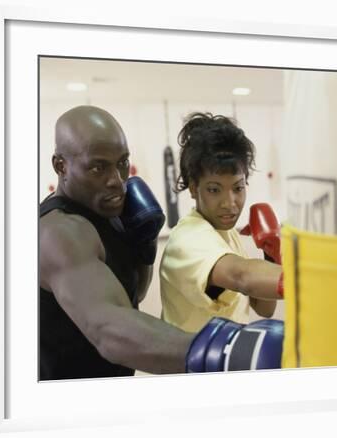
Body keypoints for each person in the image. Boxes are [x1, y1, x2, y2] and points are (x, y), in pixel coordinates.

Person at [39, 105, 285, 379]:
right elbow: (109, 327)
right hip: (66, 395)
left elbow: (132, 296)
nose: (117, 181)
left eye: (122, 163)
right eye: (98, 167)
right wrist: (226, 351)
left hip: (111, 383)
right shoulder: (59, 232)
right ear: (61, 166)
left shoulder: (108, 213)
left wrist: (144, 248)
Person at [159, 112, 284, 333]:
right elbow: (242, 276)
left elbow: (263, 308)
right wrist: (315, 278)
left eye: (238, 188)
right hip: (192, 365)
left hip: (225, 360)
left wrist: (271, 253)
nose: (230, 203)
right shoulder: (188, 239)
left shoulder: (225, 231)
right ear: (193, 188)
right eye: (214, 190)